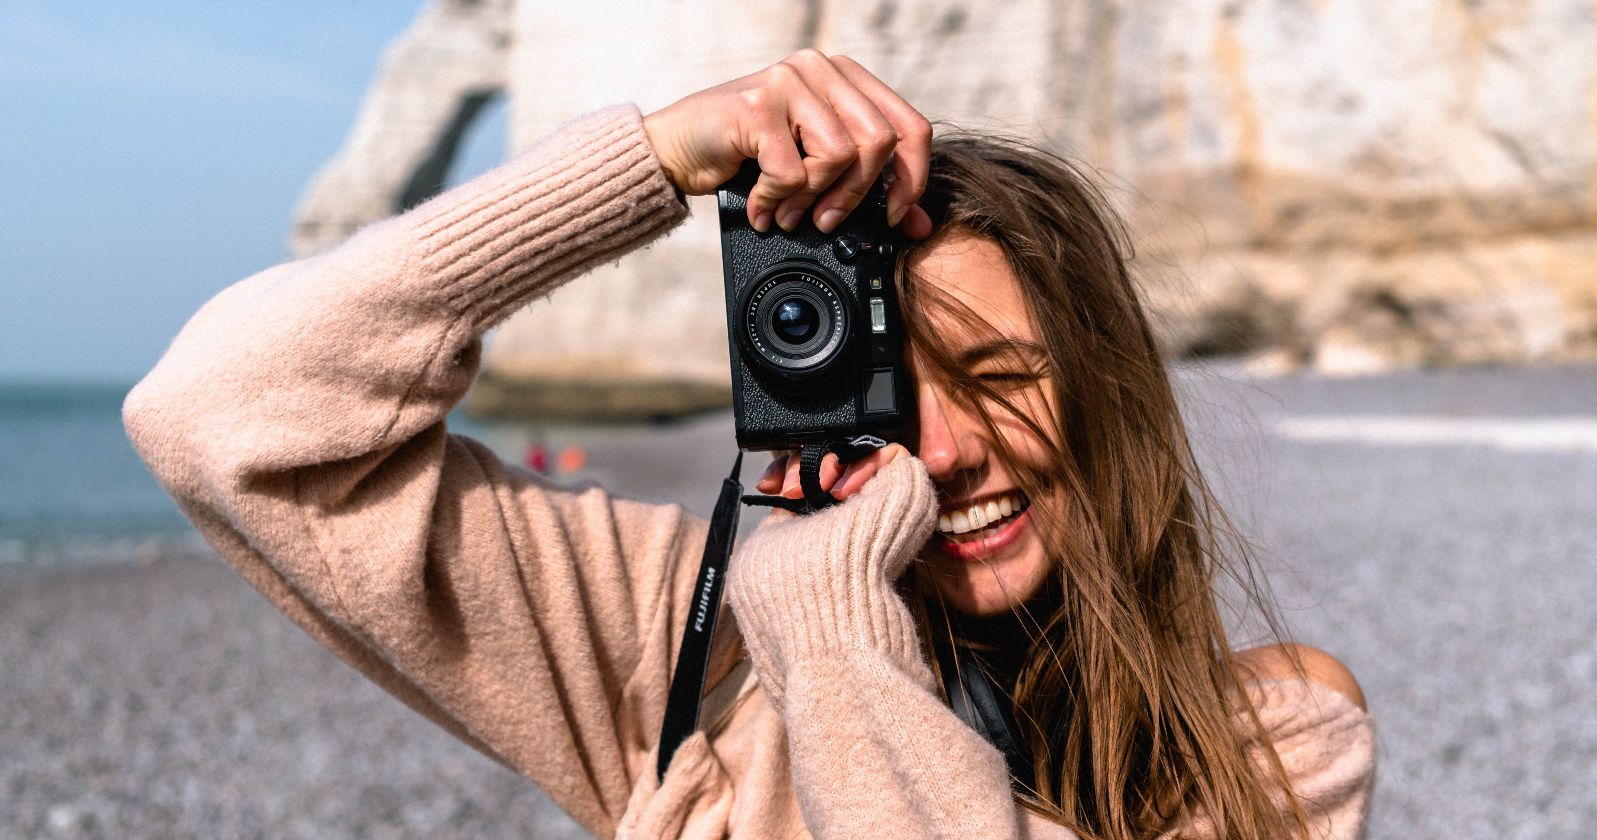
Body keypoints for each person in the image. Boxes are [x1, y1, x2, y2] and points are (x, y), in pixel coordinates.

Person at [125, 50, 1373, 839]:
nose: (942, 452)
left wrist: (829, 627)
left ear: (1106, 387)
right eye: (884, 388)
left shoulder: (1274, 745)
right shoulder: (689, 638)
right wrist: (659, 157)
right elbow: (221, 409)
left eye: (1000, 378)